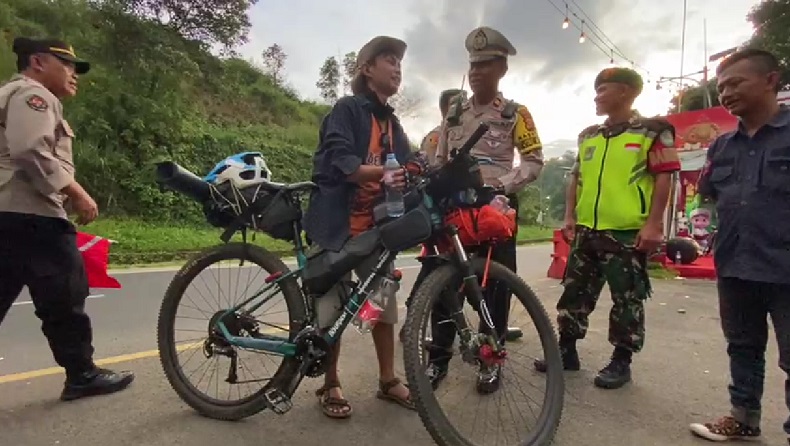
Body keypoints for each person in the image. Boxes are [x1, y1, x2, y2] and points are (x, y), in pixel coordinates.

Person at [0, 37, 134, 401]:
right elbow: (30, 149)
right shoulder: (34, 96)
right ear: (39, 62)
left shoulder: (11, 94)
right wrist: (74, 191)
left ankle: (81, 374)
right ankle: (82, 375)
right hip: (31, 214)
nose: (75, 74)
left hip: (11, 212)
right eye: (68, 65)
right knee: (65, 295)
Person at [532, 67, 680, 390]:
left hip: (626, 232)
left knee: (627, 297)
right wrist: (569, 216)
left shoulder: (653, 131)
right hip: (587, 230)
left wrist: (653, 224)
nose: (597, 96)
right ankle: (566, 351)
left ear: (626, 92)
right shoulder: (589, 135)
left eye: (603, 90)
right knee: (574, 292)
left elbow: (665, 175)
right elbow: (576, 177)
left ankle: (621, 361)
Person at [425, 26, 544, 394]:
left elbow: (534, 161)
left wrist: (501, 185)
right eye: (473, 65)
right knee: (442, 287)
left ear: (502, 69)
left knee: (495, 289)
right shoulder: (456, 111)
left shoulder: (515, 113)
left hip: (494, 209)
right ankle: (438, 359)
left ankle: (490, 360)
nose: (476, 72)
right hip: (454, 210)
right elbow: (441, 157)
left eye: (486, 65)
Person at [302, 35, 415, 419]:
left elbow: (410, 164)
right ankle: (330, 381)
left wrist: (421, 171)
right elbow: (343, 163)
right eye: (388, 60)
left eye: (399, 62)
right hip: (334, 225)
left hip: (372, 230)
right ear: (367, 70)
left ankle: (387, 379)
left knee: (380, 303)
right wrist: (386, 173)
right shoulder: (347, 109)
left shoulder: (391, 122)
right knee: (331, 308)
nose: (397, 67)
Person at [688, 48, 790, 443]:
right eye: (721, 86)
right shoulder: (721, 146)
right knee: (743, 347)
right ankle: (743, 418)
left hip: (784, 265)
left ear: (770, 80)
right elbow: (708, 199)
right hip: (735, 263)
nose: (726, 93)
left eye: (735, 83)